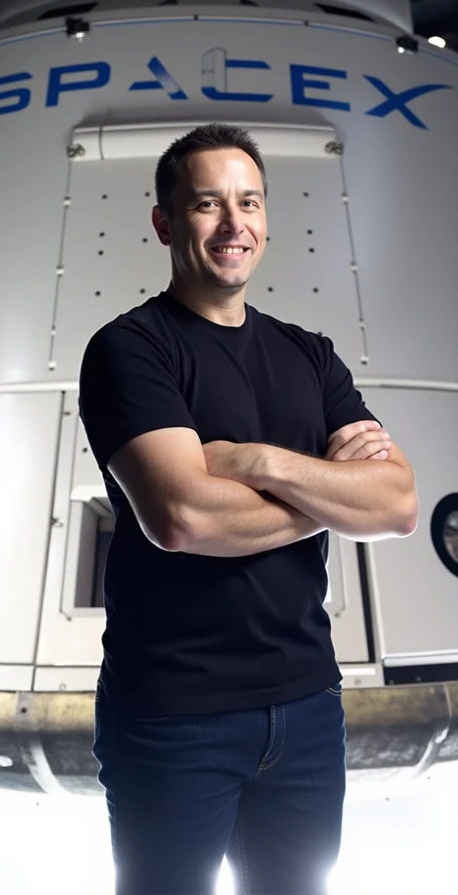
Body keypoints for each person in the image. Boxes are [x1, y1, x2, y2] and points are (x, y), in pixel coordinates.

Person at [79, 122, 418, 895]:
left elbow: (397, 502)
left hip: (306, 705)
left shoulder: (310, 354)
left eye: (249, 202)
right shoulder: (132, 350)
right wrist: (332, 495)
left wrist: (255, 462)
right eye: (207, 204)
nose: (234, 224)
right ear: (166, 221)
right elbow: (182, 519)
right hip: (173, 715)